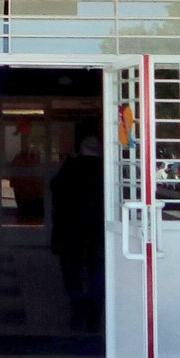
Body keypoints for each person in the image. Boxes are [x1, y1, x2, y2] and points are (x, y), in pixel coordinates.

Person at [50, 134, 104, 332]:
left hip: (71, 228)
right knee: (95, 271)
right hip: (97, 229)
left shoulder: (71, 167)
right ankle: (93, 315)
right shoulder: (104, 169)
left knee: (71, 270)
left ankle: (77, 307)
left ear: (81, 149)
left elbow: (55, 187)